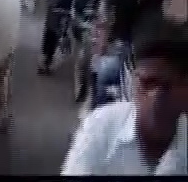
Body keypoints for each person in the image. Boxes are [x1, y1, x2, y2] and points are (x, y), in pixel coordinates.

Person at [62, 11, 187, 175]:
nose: (156, 97)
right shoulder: (100, 126)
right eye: (148, 83)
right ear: (133, 82)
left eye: (169, 86)